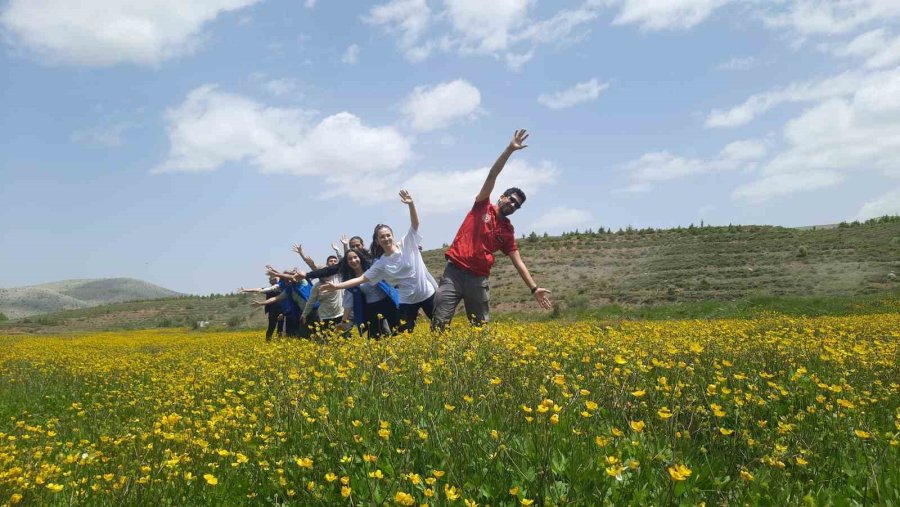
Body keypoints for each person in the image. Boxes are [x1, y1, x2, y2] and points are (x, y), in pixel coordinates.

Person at [432, 129, 552, 331]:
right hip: (453, 273)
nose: (513, 205)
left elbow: (518, 262)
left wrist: (534, 288)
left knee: (480, 330)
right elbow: (492, 174)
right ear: (503, 197)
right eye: (512, 200)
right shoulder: (482, 206)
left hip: (478, 279)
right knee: (439, 324)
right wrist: (509, 150)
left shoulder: (507, 231)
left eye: (517, 205)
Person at [321, 190, 437, 333]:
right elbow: (362, 278)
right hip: (407, 301)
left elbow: (415, 224)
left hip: (427, 294)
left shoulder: (407, 243)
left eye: (388, 235)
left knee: (441, 328)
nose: (386, 238)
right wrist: (337, 286)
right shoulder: (381, 263)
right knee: (405, 334)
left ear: (392, 236)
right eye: (382, 237)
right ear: (377, 240)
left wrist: (411, 204)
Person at [337, 248, 401, 339]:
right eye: (350, 259)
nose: (353, 261)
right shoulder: (350, 281)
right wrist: (343, 321)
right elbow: (348, 303)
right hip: (372, 308)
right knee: (375, 337)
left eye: (355, 257)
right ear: (347, 263)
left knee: (398, 331)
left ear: (360, 257)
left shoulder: (373, 268)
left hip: (388, 302)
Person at [301, 255, 344, 339]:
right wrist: (304, 314)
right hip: (325, 317)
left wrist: (342, 248)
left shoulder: (337, 278)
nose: (325, 275)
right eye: (322, 273)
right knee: (327, 339)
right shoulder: (316, 286)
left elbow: (343, 263)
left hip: (340, 314)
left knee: (341, 338)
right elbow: (310, 302)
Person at [239, 276, 283, 341]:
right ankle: (271, 342)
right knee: (273, 328)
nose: (269, 280)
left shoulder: (280, 287)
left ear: (274, 280)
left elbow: (258, 290)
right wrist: (245, 290)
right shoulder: (269, 288)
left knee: (278, 328)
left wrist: (245, 290)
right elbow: (257, 289)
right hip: (273, 311)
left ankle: (276, 342)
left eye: (270, 279)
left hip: (280, 311)